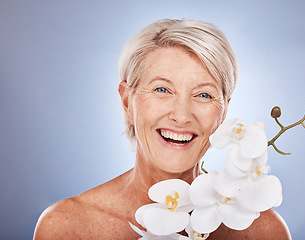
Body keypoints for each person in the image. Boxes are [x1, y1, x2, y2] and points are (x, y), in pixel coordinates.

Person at [33, 19, 291, 240]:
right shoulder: (68, 227)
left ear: (223, 112)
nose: (181, 116)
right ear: (127, 102)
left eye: (203, 95)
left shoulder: (262, 232)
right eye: (161, 90)